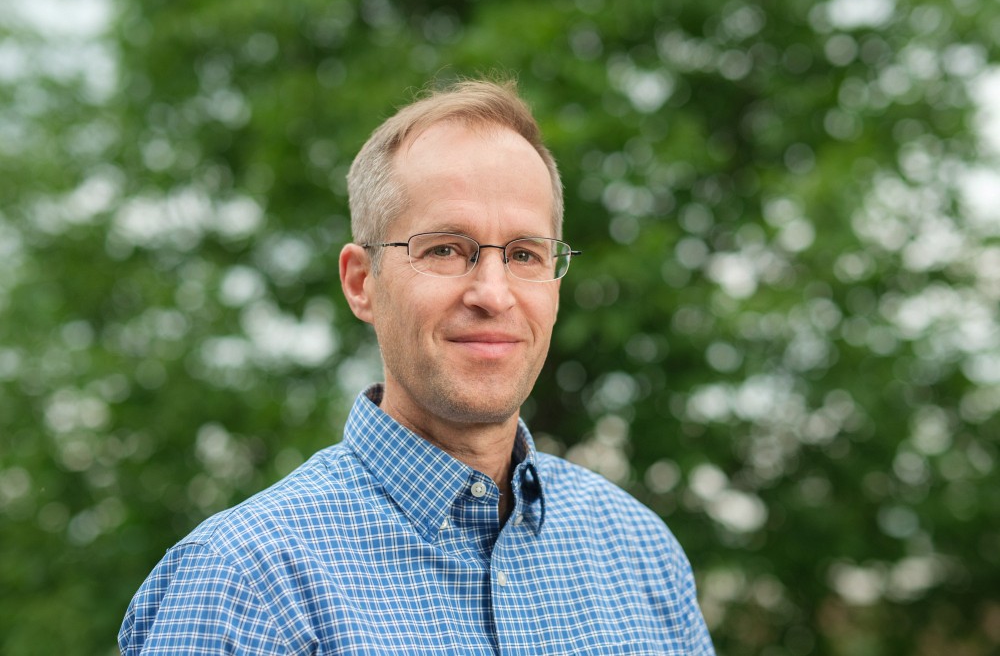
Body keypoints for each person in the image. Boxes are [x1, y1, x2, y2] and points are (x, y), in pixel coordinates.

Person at [118, 78, 715, 655]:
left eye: (525, 254)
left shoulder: (642, 555)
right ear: (361, 283)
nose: (494, 293)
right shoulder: (244, 584)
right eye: (446, 249)